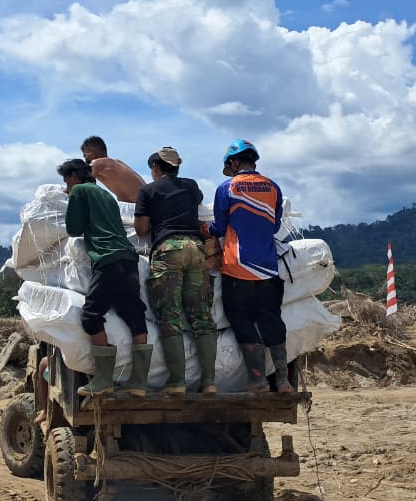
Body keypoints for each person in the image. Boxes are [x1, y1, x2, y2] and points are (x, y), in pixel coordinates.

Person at [58, 158, 152, 397]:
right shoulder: (106, 195)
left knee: (90, 316)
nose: (66, 187)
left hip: (107, 259)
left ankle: (102, 380)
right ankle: (139, 383)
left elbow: (73, 228)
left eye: (66, 181)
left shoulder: (80, 190)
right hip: (128, 260)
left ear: (72, 176)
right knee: (134, 316)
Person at [206, 139, 293, 394]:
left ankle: (258, 381)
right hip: (267, 268)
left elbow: (219, 228)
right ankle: (283, 380)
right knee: (271, 319)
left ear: (233, 162)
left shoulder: (227, 188)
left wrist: (205, 230)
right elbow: (275, 226)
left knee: (240, 318)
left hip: (237, 268)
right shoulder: (273, 187)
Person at [134, 147, 217, 395]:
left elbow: (141, 230)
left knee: (170, 317)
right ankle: (209, 382)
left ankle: (177, 382)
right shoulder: (192, 186)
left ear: (155, 168)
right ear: (177, 167)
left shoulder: (147, 191)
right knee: (202, 317)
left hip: (168, 250)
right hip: (197, 249)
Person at [81, 136, 146, 203]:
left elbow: (81, 176)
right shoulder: (116, 163)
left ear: (93, 153)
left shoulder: (96, 164)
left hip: (137, 205)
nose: (85, 158)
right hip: (147, 201)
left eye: (85, 155)